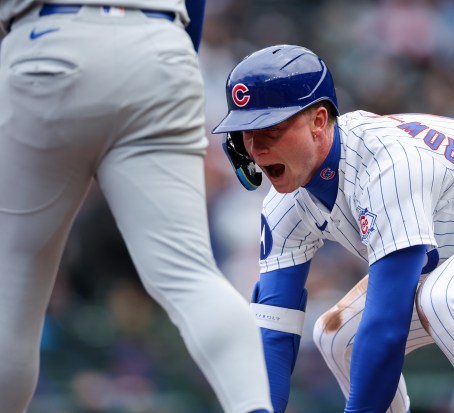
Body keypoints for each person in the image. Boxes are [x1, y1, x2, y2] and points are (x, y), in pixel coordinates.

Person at [211, 44, 454, 413]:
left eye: (271, 129)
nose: (256, 148)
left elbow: (387, 322)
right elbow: (274, 333)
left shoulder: (386, 162)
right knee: (337, 338)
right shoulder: (285, 203)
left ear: (319, 121)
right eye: (246, 133)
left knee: (447, 300)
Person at [0, 2, 273, 413]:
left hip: (48, 39)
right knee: (190, 274)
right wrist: (173, 57)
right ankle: (254, 407)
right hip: (160, 43)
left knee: (15, 282)